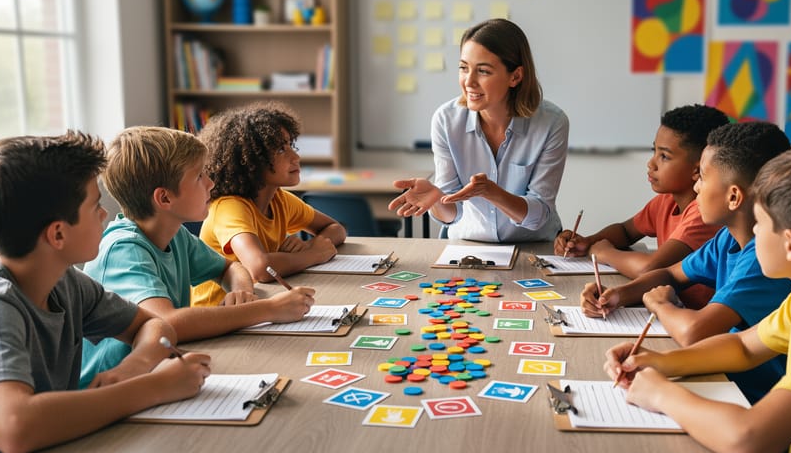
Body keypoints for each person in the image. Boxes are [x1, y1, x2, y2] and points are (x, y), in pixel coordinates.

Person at [604, 142, 791, 453]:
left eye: (759, 224)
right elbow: (743, 347)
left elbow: (748, 442)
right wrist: (660, 362)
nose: (752, 231)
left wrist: (662, 395)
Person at [0, 132, 210, 453]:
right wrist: (157, 386)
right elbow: (15, 428)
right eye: (95, 206)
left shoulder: (66, 282)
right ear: (58, 234)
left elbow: (153, 324)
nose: (105, 215)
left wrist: (131, 368)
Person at [79, 127, 315, 387]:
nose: (210, 183)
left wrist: (242, 292)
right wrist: (269, 308)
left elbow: (231, 268)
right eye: (199, 176)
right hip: (111, 392)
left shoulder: (175, 234)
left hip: (158, 373)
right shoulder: (124, 250)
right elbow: (165, 321)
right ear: (164, 197)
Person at [582, 122, 791, 403]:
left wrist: (659, 304)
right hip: (717, 378)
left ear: (733, 196)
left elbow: (695, 332)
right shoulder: (727, 239)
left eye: (703, 178)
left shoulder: (762, 259)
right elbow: (670, 274)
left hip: (748, 397)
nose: (696, 186)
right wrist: (618, 295)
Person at [388, 18, 569, 242]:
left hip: (534, 249)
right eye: (464, 68)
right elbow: (452, 215)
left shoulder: (552, 123)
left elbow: (538, 215)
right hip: (470, 249)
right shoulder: (446, 120)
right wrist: (437, 198)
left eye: (483, 71)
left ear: (515, 76)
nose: (469, 82)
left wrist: (492, 193)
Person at [555, 104, 728, 308]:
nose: (651, 163)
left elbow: (651, 268)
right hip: (673, 307)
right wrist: (587, 241)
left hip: (698, 316)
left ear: (698, 170)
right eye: (654, 151)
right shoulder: (667, 200)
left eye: (664, 156)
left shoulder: (703, 214)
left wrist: (605, 253)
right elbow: (626, 231)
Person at [192, 102, 346, 307]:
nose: (296, 157)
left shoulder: (279, 199)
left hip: (254, 310)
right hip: (217, 324)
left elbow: (336, 229)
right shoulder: (230, 208)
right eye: (281, 150)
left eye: (291, 145)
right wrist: (314, 254)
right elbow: (260, 268)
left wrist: (310, 245)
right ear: (251, 161)